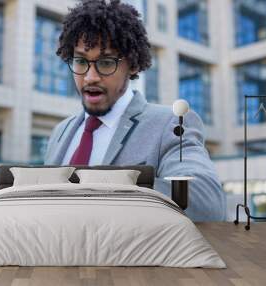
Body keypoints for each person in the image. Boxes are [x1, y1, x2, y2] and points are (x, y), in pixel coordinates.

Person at [44, 0, 226, 221]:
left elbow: (207, 204)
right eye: (81, 61)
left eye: (106, 62)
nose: (91, 77)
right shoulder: (60, 132)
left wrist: (99, 189)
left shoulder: (171, 124)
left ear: (132, 64)